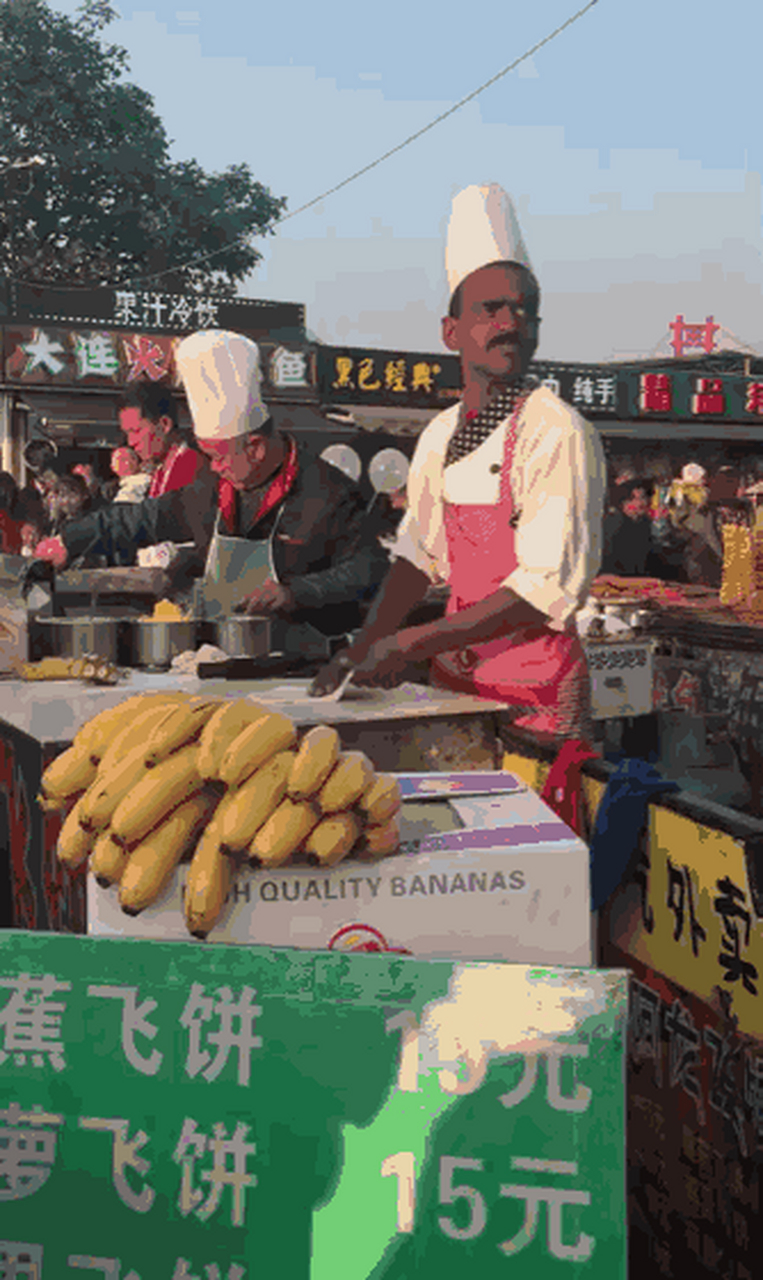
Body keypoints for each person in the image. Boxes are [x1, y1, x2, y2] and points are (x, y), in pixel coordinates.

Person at [311, 183, 607, 737]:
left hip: (534, 694)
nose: (511, 322)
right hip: (459, 683)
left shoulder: (558, 432)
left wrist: (408, 643)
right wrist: (365, 644)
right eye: (490, 308)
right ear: (451, 332)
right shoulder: (441, 434)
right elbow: (415, 557)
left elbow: (542, 590)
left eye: (526, 312)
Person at [32, 331, 389, 639]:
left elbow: (369, 568)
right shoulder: (211, 489)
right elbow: (141, 518)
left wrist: (296, 592)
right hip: (223, 654)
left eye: (219, 457)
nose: (213, 467)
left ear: (256, 446)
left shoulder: (326, 491)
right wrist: (70, 540)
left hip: (307, 663)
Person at [601, 478, 655, 576]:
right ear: (624, 503)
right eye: (634, 499)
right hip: (614, 577)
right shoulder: (613, 521)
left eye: (642, 498)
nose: (639, 503)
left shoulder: (644, 523)